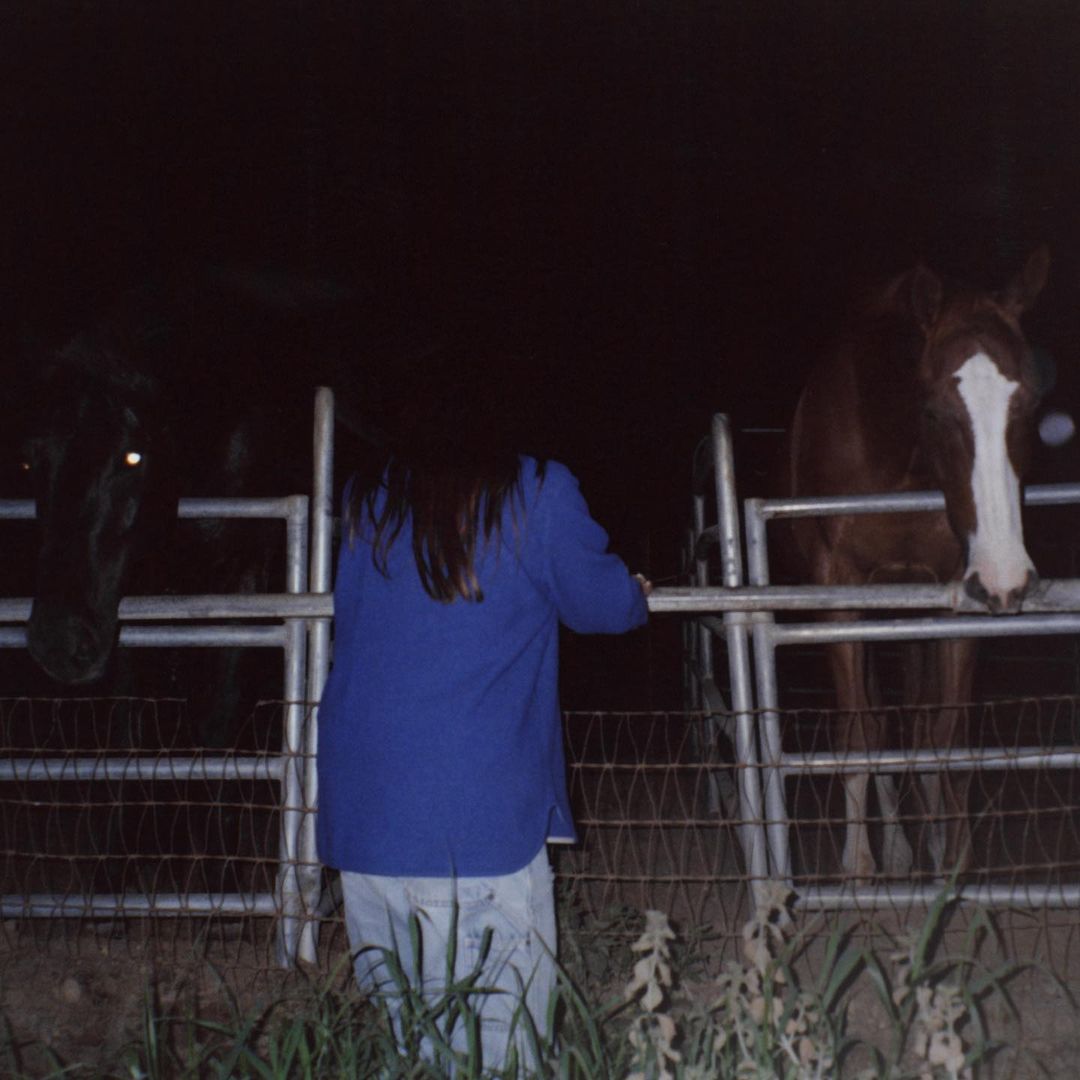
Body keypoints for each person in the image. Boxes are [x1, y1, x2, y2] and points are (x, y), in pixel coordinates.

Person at [315, 370, 650, 1071]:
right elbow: (602, 605)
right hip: (474, 834)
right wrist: (635, 591)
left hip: (364, 830)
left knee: (410, 1055)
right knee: (501, 1060)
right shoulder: (536, 490)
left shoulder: (370, 499)